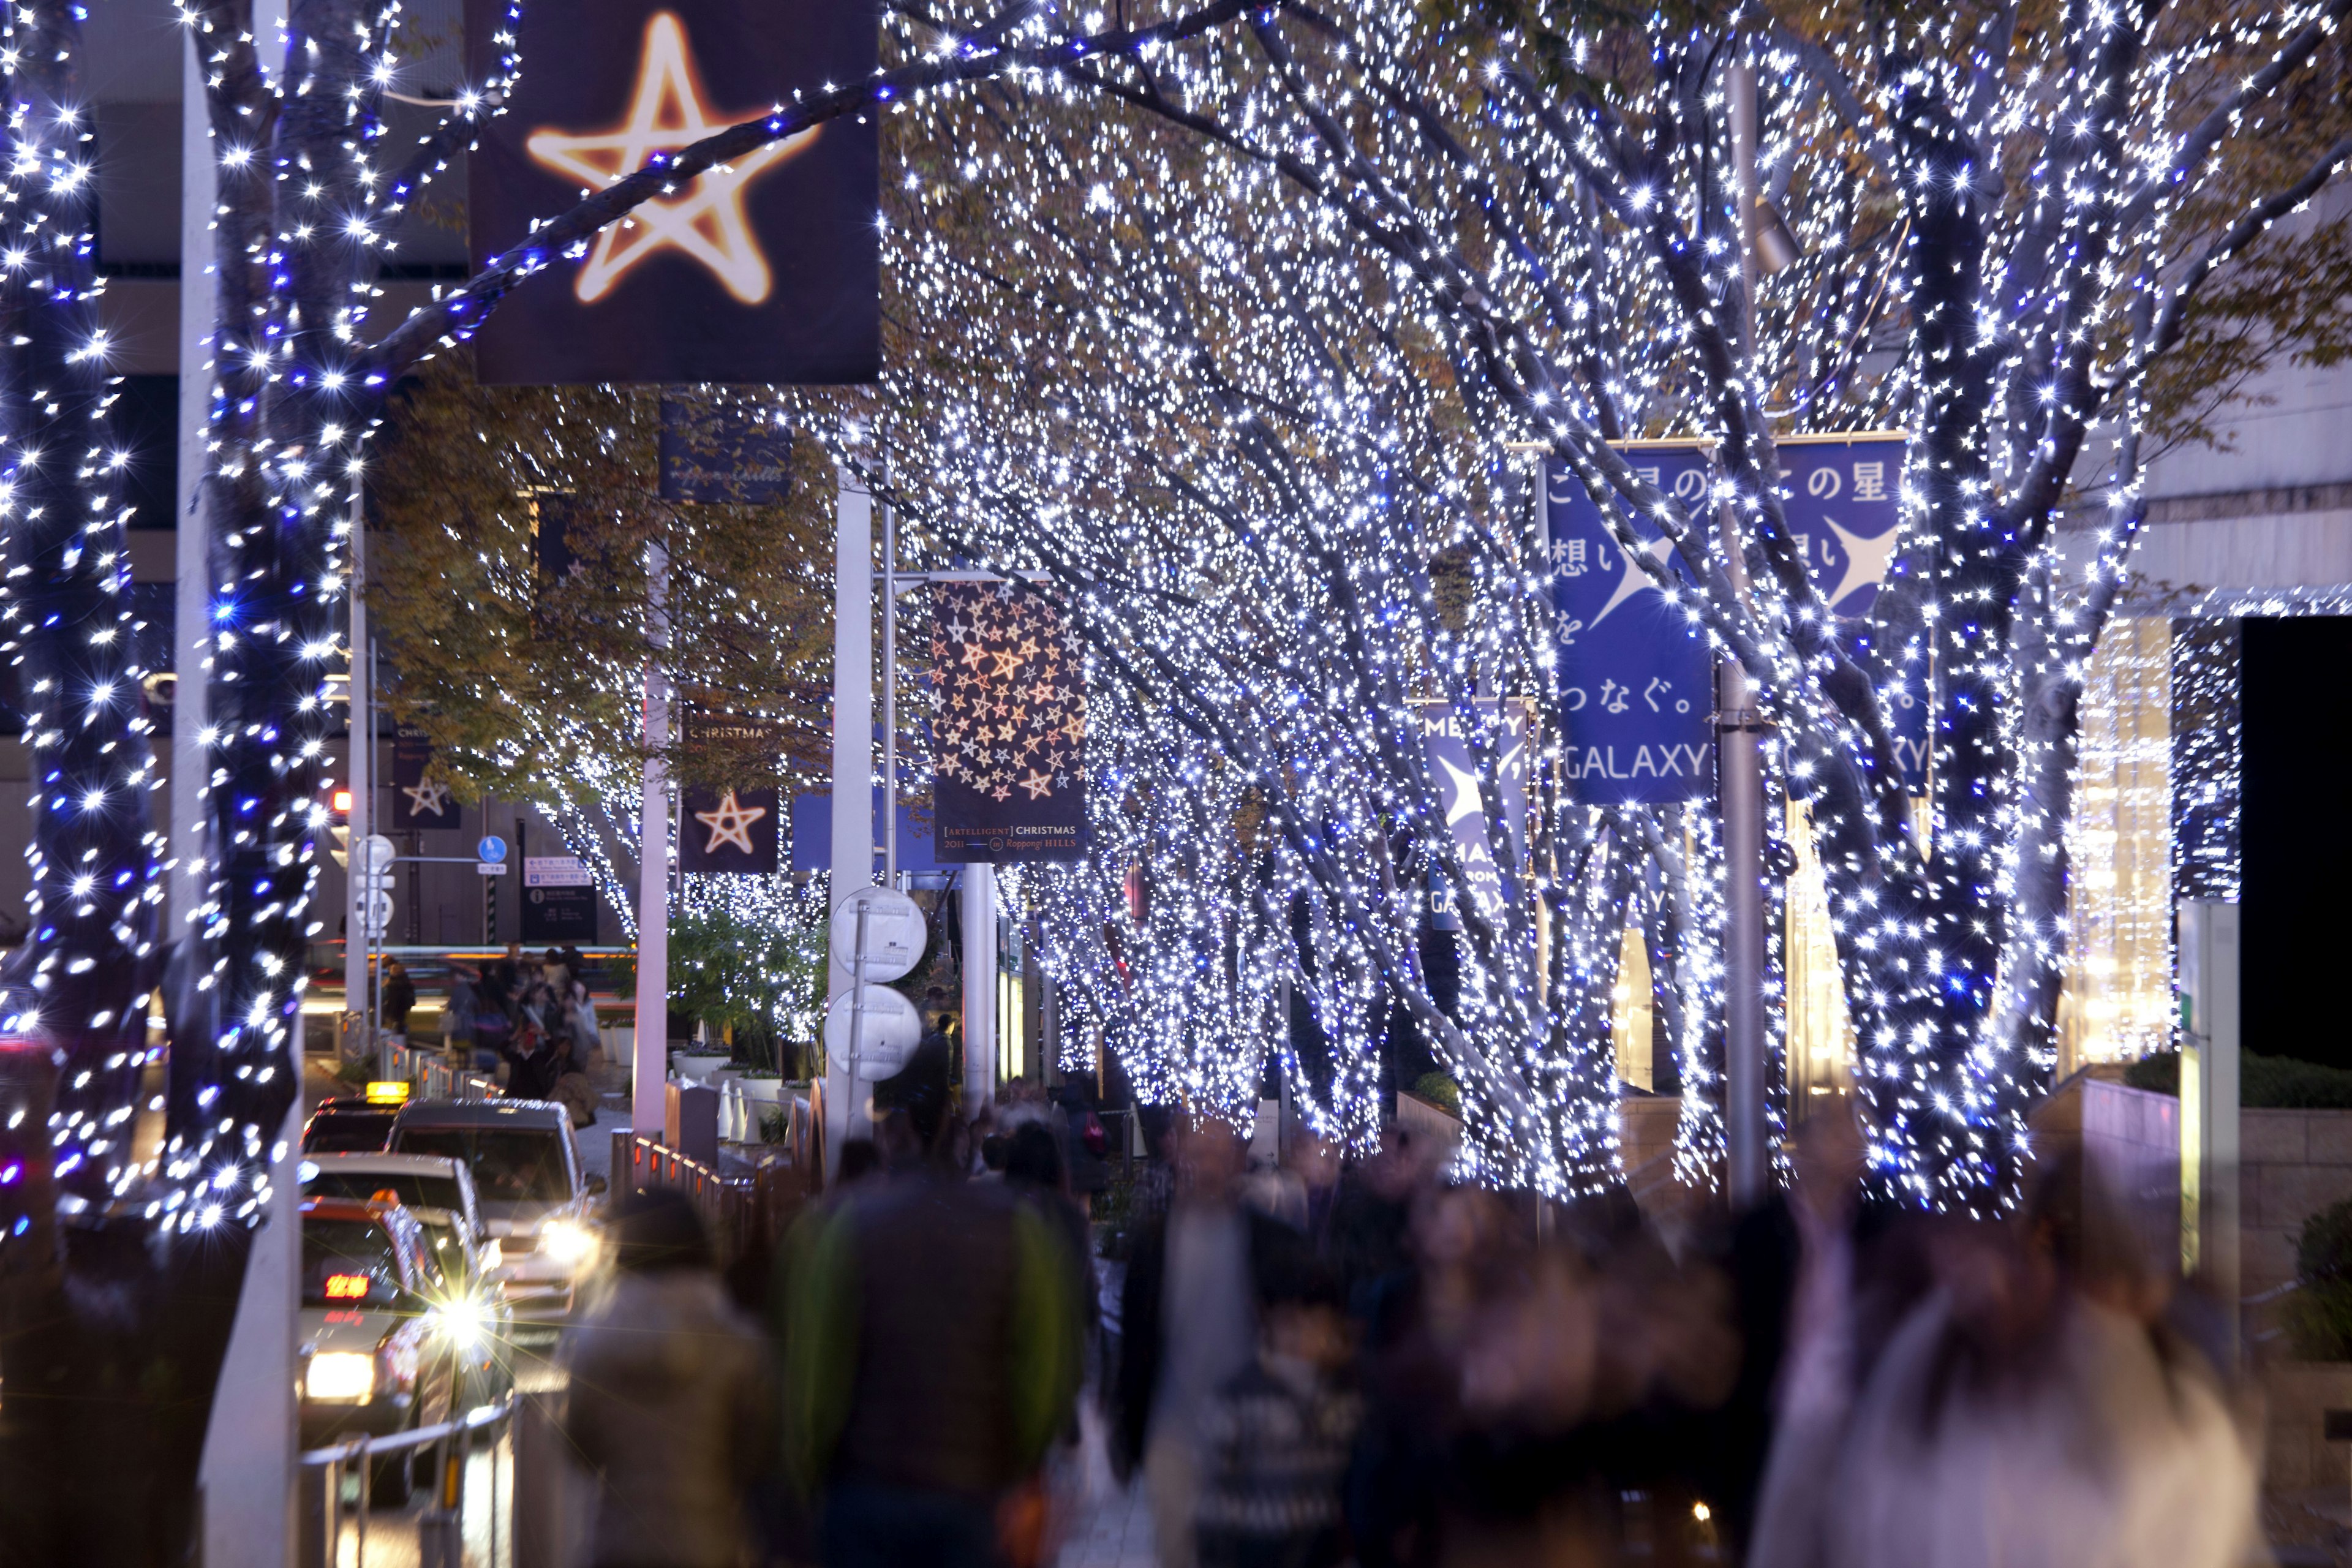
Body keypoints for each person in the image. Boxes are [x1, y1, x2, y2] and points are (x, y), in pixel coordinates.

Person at [780, 1109, 1082, 1568]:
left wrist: (810, 1476)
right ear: (958, 1138)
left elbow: (817, 1376)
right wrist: (1022, 1462)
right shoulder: (1014, 1226)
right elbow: (1042, 1371)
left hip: (865, 1495)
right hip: (975, 1498)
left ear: (889, 1138)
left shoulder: (847, 1224)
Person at [1116, 1115, 1308, 1568]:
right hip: (1174, 1433)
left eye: (1219, 1154)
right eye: (1199, 1153)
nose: (1209, 1166)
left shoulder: (1270, 1242)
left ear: (1238, 1160)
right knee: (1180, 1553)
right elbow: (1136, 1337)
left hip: (1250, 1440)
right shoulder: (1154, 1243)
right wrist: (1126, 1428)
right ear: (1181, 1156)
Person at [564, 1188, 775, 1568]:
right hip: (707, 1547)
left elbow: (579, 1448)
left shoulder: (595, 1339)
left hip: (619, 1547)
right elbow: (756, 1451)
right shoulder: (735, 1341)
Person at [378, 957, 417, 1042]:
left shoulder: (394, 983)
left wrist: (388, 984)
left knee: (397, 1026)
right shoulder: (402, 978)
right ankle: (400, 1041)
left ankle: (398, 1044)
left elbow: (394, 999)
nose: (389, 971)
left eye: (389, 969)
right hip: (402, 1007)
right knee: (399, 1025)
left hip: (397, 1008)